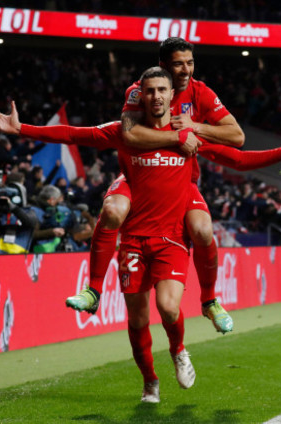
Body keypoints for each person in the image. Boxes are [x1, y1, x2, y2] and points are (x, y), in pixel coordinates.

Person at [0, 67, 281, 402]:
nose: (156, 96)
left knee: (169, 309)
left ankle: (179, 350)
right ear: (139, 95)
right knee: (138, 320)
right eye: (150, 91)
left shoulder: (190, 137)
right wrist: (21, 129)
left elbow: (239, 159)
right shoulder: (125, 133)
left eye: (162, 90)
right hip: (133, 242)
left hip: (171, 240)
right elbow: (72, 133)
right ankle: (149, 380)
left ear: (173, 96)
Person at [69, 37, 246, 334]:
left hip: (181, 179)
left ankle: (210, 301)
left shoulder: (200, 92)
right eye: (178, 63)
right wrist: (177, 137)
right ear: (163, 66)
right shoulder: (140, 91)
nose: (186, 70)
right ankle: (94, 290)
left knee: (203, 230)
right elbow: (130, 136)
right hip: (139, 176)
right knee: (112, 211)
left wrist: (194, 126)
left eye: (190, 62)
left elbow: (237, 137)